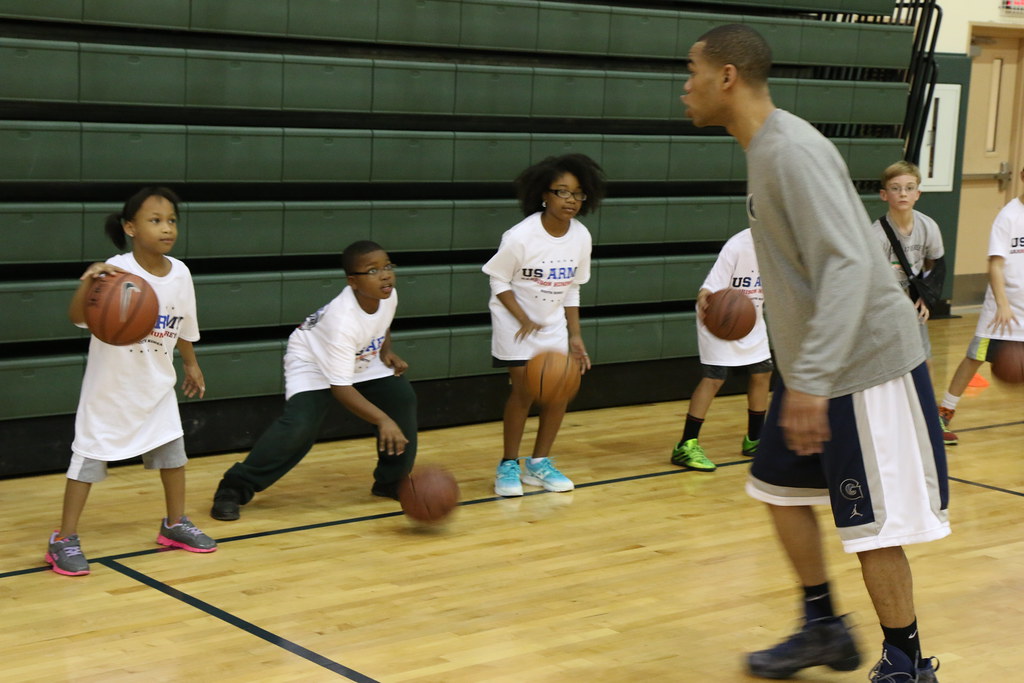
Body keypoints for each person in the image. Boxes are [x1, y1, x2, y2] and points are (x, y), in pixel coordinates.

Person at [682, 24, 948, 682]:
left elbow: (851, 267)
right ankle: (824, 624)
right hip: (815, 369)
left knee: (872, 527)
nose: (683, 86)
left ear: (727, 77)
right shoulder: (764, 149)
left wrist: (810, 383)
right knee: (776, 486)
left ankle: (907, 663)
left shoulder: (791, 151)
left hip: (862, 367)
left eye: (692, 71)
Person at [46, 187, 216, 576]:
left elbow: (184, 326)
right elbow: (77, 317)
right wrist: (87, 282)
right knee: (87, 460)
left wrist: (191, 365)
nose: (166, 228)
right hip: (110, 388)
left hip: (156, 384)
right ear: (130, 227)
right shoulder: (115, 270)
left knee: (173, 456)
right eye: (155, 220)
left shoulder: (181, 273)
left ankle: (175, 524)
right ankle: (63, 539)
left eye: (171, 220)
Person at [210, 240, 416, 521]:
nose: (385, 275)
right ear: (352, 281)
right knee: (299, 428)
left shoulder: (387, 294)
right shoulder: (342, 320)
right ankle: (233, 488)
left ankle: (390, 481)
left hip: (358, 356)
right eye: (373, 270)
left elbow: (382, 322)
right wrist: (382, 420)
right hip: (312, 361)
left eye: (388, 266)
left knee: (400, 398)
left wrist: (386, 350)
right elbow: (341, 390)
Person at [484, 154, 606, 497]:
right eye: (562, 192)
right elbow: (498, 281)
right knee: (525, 391)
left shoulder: (581, 237)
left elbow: (572, 288)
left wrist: (576, 336)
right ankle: (508, 464)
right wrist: (522, 317)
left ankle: (538, 464)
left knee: (558, 390)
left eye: (578, 193)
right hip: (515, 323)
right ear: (544, 195)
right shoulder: (521, 236)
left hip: (552, 323)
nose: (571, 200)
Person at [670, 227, 771, 472]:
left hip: (751, 318)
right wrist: (704, 294)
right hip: (719, 317)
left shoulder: (786, 246)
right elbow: (710, 287)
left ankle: (755, 440)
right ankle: (686, 445)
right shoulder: (738, 245)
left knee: (763, 372)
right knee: (715, 378)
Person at [938, 166, 1024, 445]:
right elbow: (995, 265)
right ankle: (944, 412)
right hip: (1002, 313)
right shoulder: (1008, 217)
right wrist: (1002, 304)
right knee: (974, 358)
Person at [871, 161, 952, 444]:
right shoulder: (877, 234)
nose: (902, 194)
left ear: (918, 193)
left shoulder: (928, 227)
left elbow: (934, 266)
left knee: (924, 361)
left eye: (909, 188)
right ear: (884, 195)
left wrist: (926, 300)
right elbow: (873, 280)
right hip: (884, 304)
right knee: (886, 365)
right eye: (895, 189)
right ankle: (885, 423)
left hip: (913, 301)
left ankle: (928, 418)